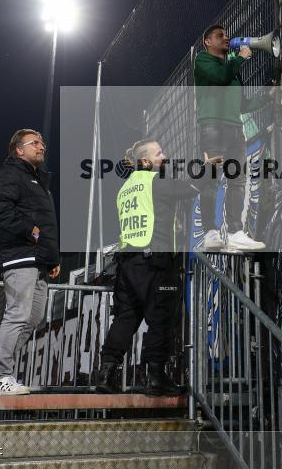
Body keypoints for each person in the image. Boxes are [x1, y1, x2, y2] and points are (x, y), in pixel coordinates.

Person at [96, 140, 200, 396]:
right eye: (159, 153)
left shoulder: (126, 188)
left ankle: (106, 374)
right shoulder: (157, 182)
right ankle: (155, 377)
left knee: (125, 319)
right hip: (155, 262)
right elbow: (193, 187)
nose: (165, 157)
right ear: (145, 162)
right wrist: (209, 167)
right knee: (162, 318)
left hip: (127, 264)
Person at [0, 129, 61, 395]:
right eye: (34, 143)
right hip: (20, 258)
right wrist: (33, 233)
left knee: (33, 319)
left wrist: (52, 256)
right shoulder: (13, 173)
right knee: (18, 314)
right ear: (19, 149)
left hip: (39, 260)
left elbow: (45, 224)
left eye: (42, 142)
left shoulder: (37, 180)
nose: (42, 146)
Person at [194, 25, 270, 252]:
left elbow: (243, 104)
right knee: (212, 179)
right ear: (208, 42)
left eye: (227, 35)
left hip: (236, 129)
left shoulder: (232, 67)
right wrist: (240, 59)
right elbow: (220, 77)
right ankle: (210, 232)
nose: (226, 38)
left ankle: (236, 232)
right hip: (212, 127)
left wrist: (267, 96)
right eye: (220, 36)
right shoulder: (203, 60)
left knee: (237, 181)